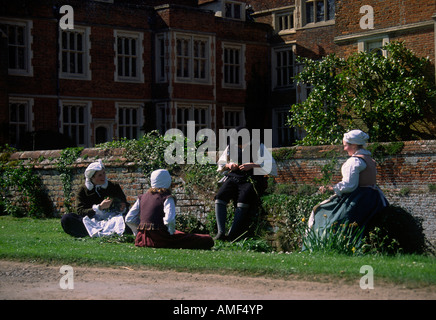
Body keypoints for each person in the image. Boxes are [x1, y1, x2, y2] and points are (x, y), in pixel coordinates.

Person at [307, 129, 388, 235]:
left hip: (359, 199)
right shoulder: (369, 159)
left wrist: (330, 188)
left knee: (321, 211)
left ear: (353, 145)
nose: (345, 149)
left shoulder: (354, 161)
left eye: (345, 145)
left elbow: (350, 185)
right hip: (374, 197)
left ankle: (322, 242)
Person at [214, 127, 277, 241]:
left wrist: (253, 165)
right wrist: (229, 165)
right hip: (234, 177)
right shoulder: (231, 146)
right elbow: (222, 163)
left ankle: (232, 234)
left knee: (243, 200)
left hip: (251, 178)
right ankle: (221, 232)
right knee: (220, 196)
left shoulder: (259, 146)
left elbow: (271, 165)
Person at [125, 169, 214, 250]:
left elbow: (129, 219)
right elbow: (169, 220)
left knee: (181, 234)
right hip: (161, 238)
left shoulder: (142, 197)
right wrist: (171, 233)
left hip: (142, 239)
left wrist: (137, 233)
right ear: (167, 181)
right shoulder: (167, 197)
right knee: (205, 239)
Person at [61, 160, 129, 237]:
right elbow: (80, 211)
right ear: (92, 177)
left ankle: (110, 230)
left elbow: (125, 204)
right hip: (92, 222)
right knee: (67, 218)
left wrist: (122, 207)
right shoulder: (83, 190)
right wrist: (99, 207)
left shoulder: (113, 186)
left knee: (128, 219)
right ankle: (92, 231)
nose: (103, 177)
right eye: (100, 175)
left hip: (112, 220)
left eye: (104, 173)